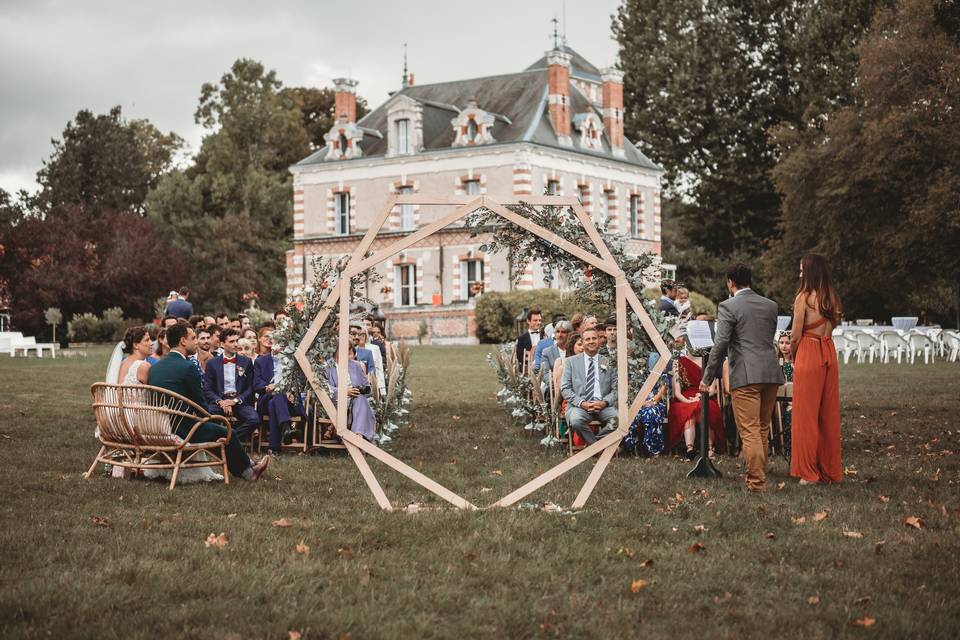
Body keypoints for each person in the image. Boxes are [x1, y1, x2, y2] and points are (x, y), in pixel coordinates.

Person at [146, 322, 269, 481]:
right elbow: (201, 404)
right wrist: (211, 418)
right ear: (183, 341)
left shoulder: (155, 366)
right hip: (182, 428)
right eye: (193, 338)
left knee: (216, 431)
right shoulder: (188, 367)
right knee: (224, 432)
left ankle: (248, 464)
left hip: (160, 425)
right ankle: (249, 471)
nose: (196, 342)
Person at [702, 263, 784, 492]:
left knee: (749, 431)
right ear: (750, 280)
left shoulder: (728, 306)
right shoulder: (770, 305)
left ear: (730, 282)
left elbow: (720, 345)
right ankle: (757, 472)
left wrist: (707, 377)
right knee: (762, 429)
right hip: (770, 371)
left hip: (747, 374)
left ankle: (756, 482)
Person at [789, 254, 842, 485]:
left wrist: (792, 353)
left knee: (805, 416)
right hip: (829, 351)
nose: (800, 273)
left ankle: (808, 473)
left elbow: (795, 334)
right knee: (828, 414)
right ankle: (828, 471)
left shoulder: (804, 297)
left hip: (809, 351)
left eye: (802, 270)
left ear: (810, 272)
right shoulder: (831, 298)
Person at [560, 327, 618, 445]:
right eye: (587, 339)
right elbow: (565, 388)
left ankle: (594, 445)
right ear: (583, 341)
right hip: (580, 406)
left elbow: (616, 389)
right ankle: (597, 447)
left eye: (594, 338)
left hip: (603, 405)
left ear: (599, 340)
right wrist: (582, 403)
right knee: (576, 420)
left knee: (619, 420)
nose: (591, 341)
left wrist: (605, 402)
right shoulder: (571, 362)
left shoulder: (609, 362)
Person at [254, 331, 307, 454]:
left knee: (275, 403)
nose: (280, 344)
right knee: (275, 397)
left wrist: (292, 393)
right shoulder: (260, 361)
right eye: (277, 341)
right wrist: (268, 387)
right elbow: (256, 384)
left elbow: (300, 383)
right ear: (272, 343)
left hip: (289, 402)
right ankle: (286, 429)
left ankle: (276, 445)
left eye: (283, 342)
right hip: (267, 398)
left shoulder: (293, 361)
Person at [203, 328, 260, 441]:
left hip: (239, 402)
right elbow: (208, 389)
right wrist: (221, 402)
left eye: (236, 341)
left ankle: (228, 440)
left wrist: (235, 401)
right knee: (207, 414)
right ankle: (214, 441)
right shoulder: (212, 363)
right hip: (220, 401)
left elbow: (250, 388)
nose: (235, 344)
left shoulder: (246, 362)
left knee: (254, 420)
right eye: (231, 341)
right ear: (223, 344)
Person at [667, 353, 723, 458]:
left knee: (707, 408)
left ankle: (710, 448)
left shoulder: (708, 361)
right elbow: (677, 393)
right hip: (684, 398)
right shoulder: (677, 362)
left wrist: (700, 398)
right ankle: (690, 449)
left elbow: (712, 389)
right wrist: (688, 401)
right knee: (688, 410)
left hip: (705, 396)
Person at [325, 343, 376, 442]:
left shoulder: (356, 365)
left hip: (355, 400)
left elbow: (368, 388)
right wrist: (344, 392)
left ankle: (358, 435)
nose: (346, 354)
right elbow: (325, 388)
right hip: (336, 400)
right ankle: (360, 438)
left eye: (348, 352)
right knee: (359, 401)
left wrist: (361, 389)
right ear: (336, 351)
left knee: (360, 399)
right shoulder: (328, 366)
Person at [623, 372, 668, 456]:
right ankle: (632, 447)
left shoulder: (662, 372)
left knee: (651, 413)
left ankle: (652, 449)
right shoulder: (634, 371)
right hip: (637, 404)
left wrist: (651, 402)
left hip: (656, 404)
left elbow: (660, 394)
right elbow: (630, 394)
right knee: (631, 414)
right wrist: (639, 404)